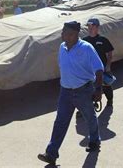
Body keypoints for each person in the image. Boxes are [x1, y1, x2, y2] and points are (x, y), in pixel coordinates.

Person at [38, 21, 104, 166]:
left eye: (66, 33)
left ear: (75, 35)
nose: (62, 35)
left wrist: (98, 89)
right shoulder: (62, 47)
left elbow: (99, 69)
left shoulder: (86, 48)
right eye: (62, 32)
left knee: (89, 117)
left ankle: (94, 141)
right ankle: (51, 153)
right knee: (60, 122)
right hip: (65, 92)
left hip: (83, 90)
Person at [82, 18, 115, 107]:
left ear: (97, 27)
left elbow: (110, 54)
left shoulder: (103, 40)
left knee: (106, 86)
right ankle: (92, 104)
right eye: (88, 26)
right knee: (90, 88)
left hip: (102, 68)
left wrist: (108, 66)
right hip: (89, 70)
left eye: (92, 26)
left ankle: (110, 100)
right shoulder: (84, 41)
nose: (90, 28)